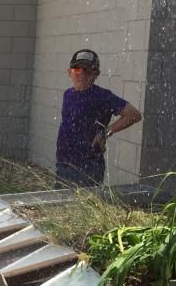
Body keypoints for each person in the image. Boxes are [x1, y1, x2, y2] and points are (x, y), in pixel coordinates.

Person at [55, 48, 142, 187]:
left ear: (96, 74)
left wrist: (105, 133)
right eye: (78, 69)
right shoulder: (68, 95)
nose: (82, 74)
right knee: (61, 206)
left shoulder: (102, 96)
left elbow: (134, 115)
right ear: (69, 72)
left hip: (88, 167)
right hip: (63, 163)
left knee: (83, 207)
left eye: (88, 70)